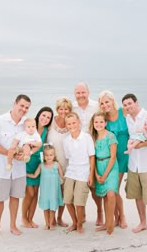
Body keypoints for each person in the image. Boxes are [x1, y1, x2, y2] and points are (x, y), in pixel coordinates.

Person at [0, 94, 31, 237]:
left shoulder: (26, 123)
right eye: (22, 106)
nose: (23, 109)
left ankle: (13, 225)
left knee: (15, 197)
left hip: (19, 170)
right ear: (14, 104)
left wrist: (24, 153)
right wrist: (9, 154)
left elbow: (29, 142)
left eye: (26, 107)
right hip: (1, 169)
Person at [122, 93, 147, 236]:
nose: (128, 107)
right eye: (125, 105)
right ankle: (143, 222)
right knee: (138, 196)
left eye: (129, 103)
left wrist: (142, 145)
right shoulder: (127, 119)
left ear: (136, 102)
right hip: (133, 165)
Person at [73, 82, 103, 226]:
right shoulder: (72, 107)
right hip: (77, 152)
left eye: (83, 92)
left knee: (93, 186)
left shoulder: (96, 106)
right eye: (78, 93)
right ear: (75, 94)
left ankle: (99, 213)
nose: (81, 95)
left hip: (95, 149)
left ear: (88, 92)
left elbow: (104, 122)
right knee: (80, 183)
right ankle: (82, 214)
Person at [98, 90, 129, 229]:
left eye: (107, 101)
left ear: (112, 101)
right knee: (113, 189)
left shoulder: (124, 112)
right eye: (102, 103)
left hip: (125, 156)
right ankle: (117, 217)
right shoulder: (104, 119)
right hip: (112, 159)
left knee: (114, 189)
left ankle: (120, 217)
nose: (105, 105)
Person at [63, 112, 95, 234]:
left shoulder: (86, 138)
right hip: (71, 172)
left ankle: (80, 224)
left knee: (79, 202)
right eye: (69, 124)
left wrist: (91, 175)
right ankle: (75, 222)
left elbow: (92, 157)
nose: (72, 125)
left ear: (79, 123)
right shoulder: (66, 141)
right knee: (67, 200)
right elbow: (68, 157)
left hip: (83, 173)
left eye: (74, 123)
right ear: (66, 125)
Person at [21, 107, 54, 228]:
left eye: (48, 117)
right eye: (43, 115)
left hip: (39, 165)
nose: (45, 119)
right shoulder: (29, 126)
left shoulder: (47, 130)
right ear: (39, 114)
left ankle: (31, 219)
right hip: (27, 163)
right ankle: (24, 218)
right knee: (29, 193)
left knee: (35, 193)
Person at [89, 112, 119, 234]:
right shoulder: (93, 137)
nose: (99, 124)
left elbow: (113, 157)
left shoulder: (110, 136)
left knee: (111, 194)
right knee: (104, 197)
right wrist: (95, 174)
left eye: (101, 122)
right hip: (98, 166)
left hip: (110, 167)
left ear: (105, 123)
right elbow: (92, 157)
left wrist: (105, 174)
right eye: (96, 122)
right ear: (93, 123)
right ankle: (106, 223)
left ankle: (110, 223)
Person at [47, 97, 73, 227]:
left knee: (64, 193)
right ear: (57, 109)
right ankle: (50, 218)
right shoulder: (51, 122)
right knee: (52, 191)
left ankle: (59, 218)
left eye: (66, 108)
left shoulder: (71, 123)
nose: (63, 111)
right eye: (61, 108)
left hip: (67, 165)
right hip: (52, 163)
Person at [27, 145, 64, 230]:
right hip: (45, 191)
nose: (49, 157)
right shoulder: (41, 165)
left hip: (54, 191)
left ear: (54, 156)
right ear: (43, 156)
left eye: (51, 155)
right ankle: (46, 223)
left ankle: (51, 224)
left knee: (52, 208)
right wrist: (25, 174)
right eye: (47, 155)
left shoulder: (56, 165)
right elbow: (34, 175)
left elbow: (62, 176)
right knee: (46, 207)